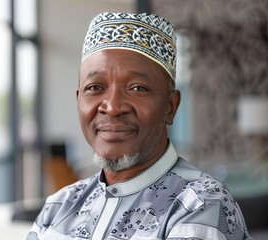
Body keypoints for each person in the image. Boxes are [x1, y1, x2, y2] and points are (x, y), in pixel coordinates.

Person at [27, 12, 251, 240]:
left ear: (171, 106)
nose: (112, 107)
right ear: (78, 101)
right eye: (95, 87)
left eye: (138, 88)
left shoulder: (200, 204)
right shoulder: (59, 206)